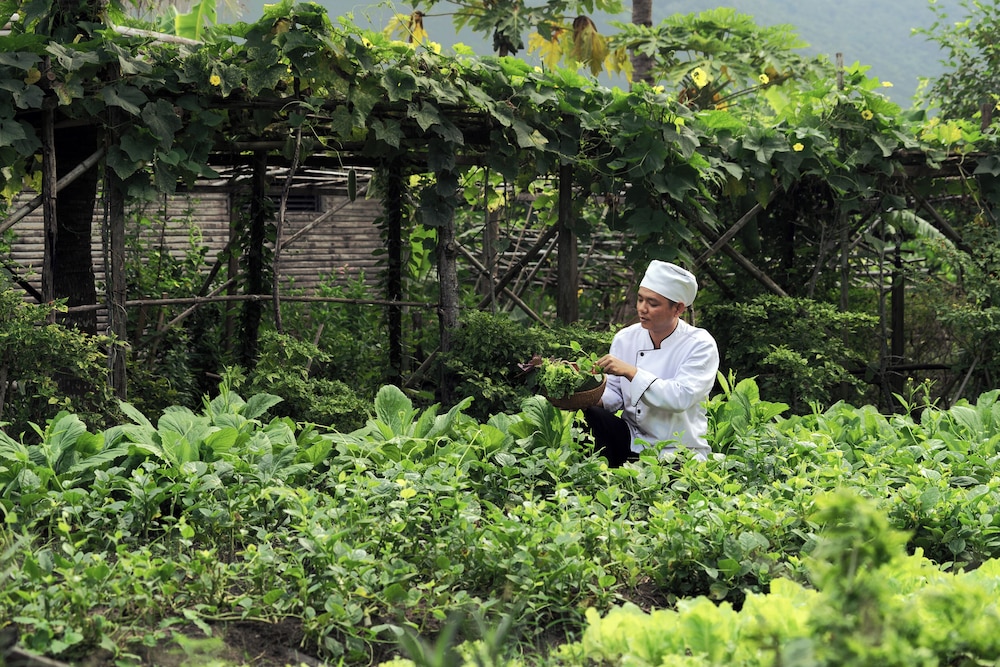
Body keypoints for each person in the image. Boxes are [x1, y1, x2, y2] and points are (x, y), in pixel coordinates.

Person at [584, 260, 719, 467]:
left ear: (678, 308)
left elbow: (680, 397)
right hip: (631, 438)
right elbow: (615, 393)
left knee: (671, 473)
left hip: (677, 449)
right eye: (640, 299)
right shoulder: (625, 338)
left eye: (653, 304)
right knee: (592, 414)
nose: (642, 308)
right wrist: (587, 396)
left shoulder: (700, 344)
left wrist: (631, 372)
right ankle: (598, 472)